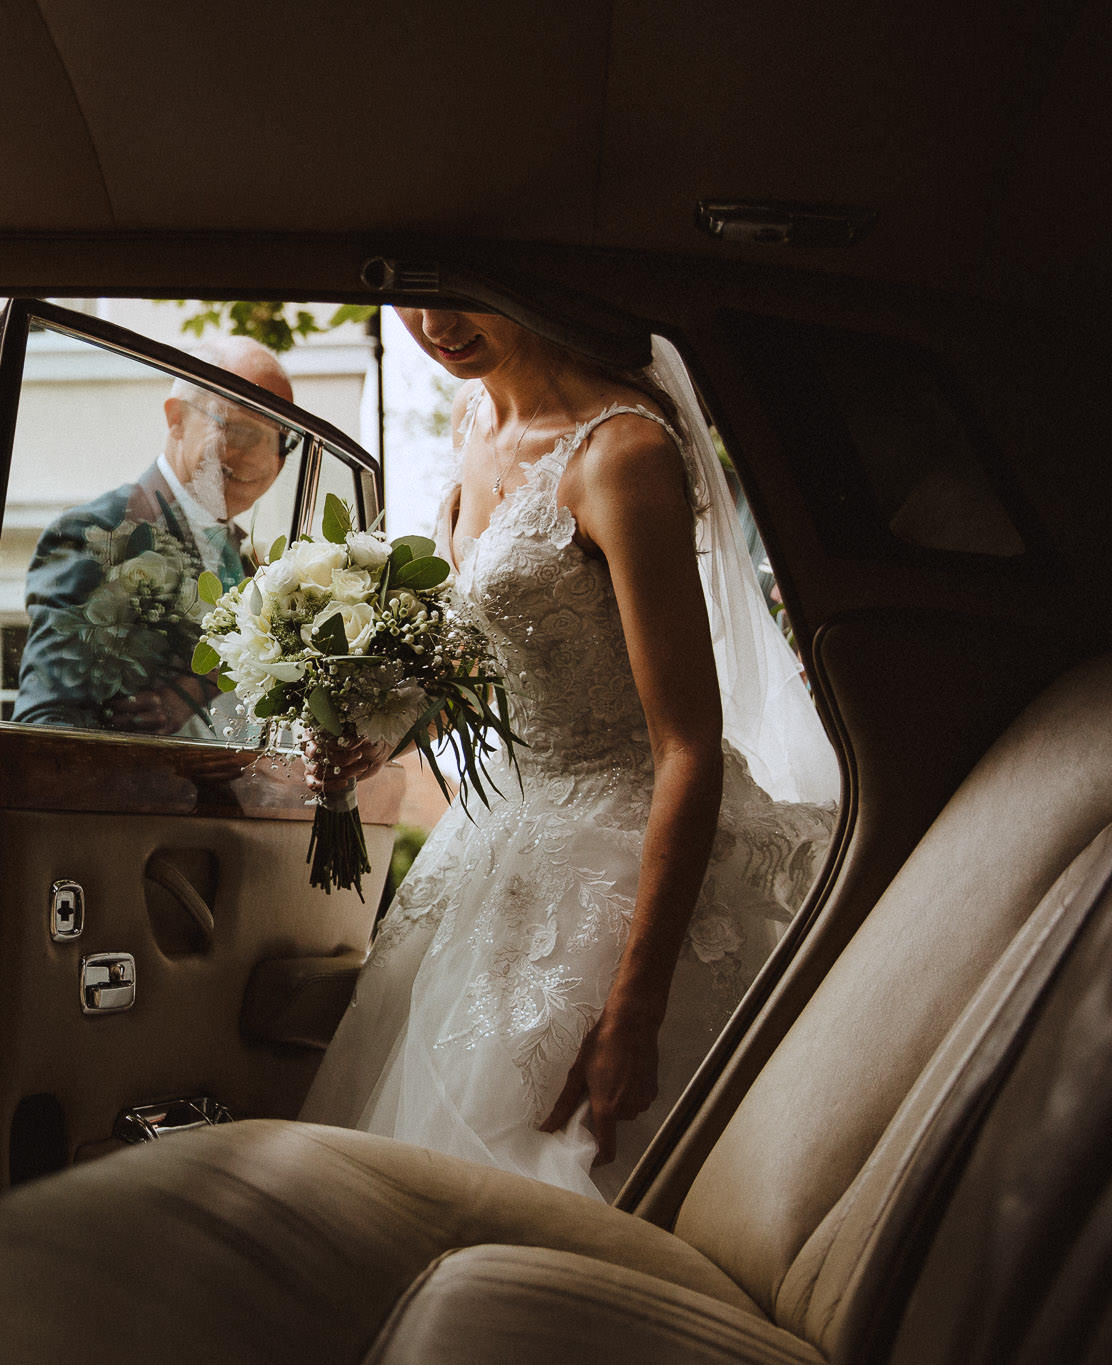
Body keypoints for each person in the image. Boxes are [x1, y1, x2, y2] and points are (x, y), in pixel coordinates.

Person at [297, 310, 839, 1201]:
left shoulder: (620, 451)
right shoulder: (476, 426)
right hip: (496, 843)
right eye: (413, 297)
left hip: (619, 848)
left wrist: (636, 1005)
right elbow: (489, 660)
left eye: (463, 290)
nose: (435, 325)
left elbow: (688, 745)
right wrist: (375, 738)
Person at [12, 337, 294, 735]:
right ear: (177, 418)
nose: (264, 460)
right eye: (241, 431)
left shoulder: (253, 561)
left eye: (281, 441)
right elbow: (48, 726)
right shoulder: (98, 536)